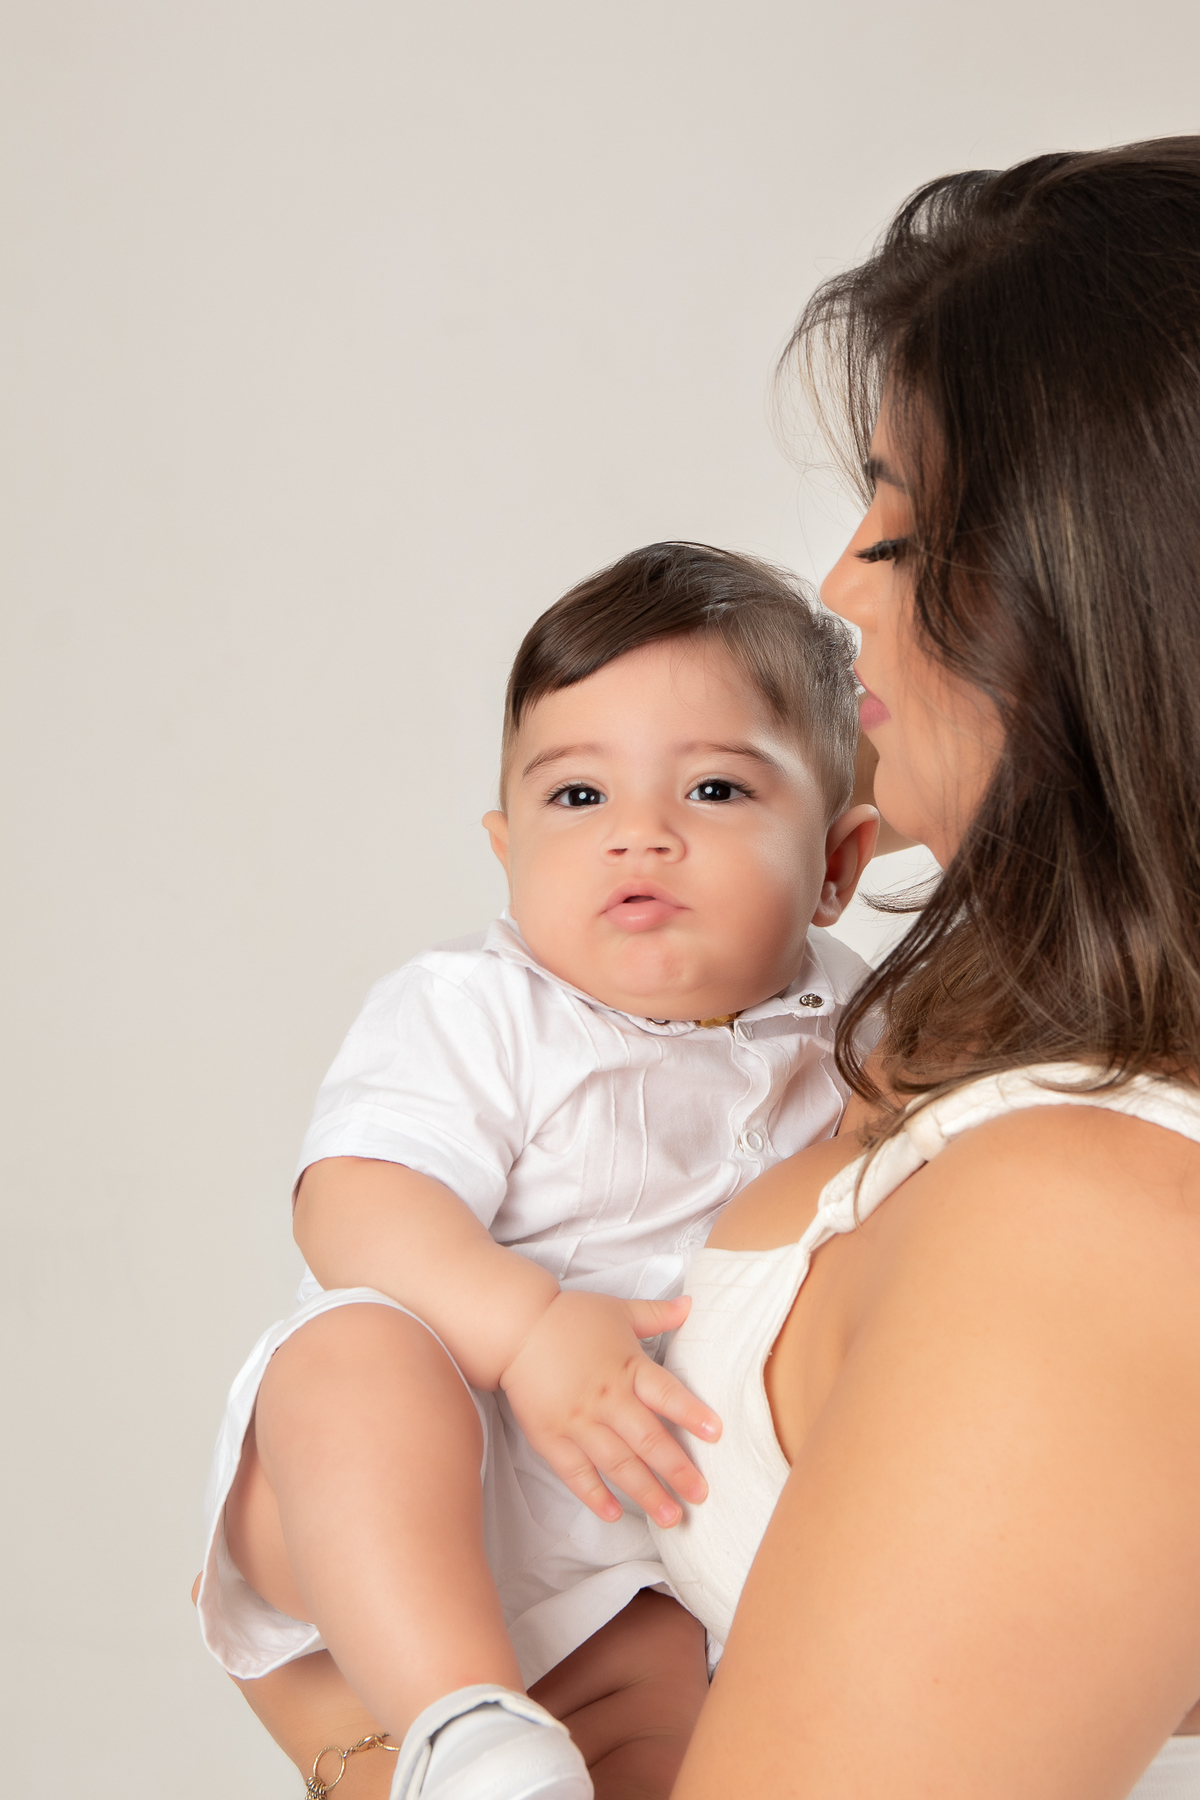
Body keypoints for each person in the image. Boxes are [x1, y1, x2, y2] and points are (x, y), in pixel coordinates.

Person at [645, 139, 1200, 1798]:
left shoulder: (1086, 1223)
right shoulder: (1033, 1108)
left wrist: (365, 1730)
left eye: (904, 527)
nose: (833, 586)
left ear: (1102, 597)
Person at [194, 542, 881, 1799]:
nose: (643, 838)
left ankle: (500, 1768)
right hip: (405, 1492)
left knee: (663, 1720)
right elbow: (352, 1198)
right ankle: (459, 1721)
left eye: (718, 791)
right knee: (348, 1353)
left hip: (634, 1563)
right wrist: (524, 1331)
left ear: (837, 863)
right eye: (579, 800)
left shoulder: (863, 1033)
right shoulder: (476, 1006)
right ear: (505, 849)